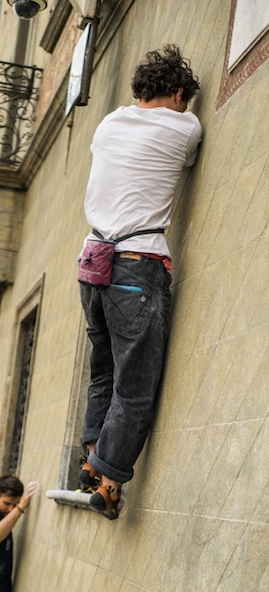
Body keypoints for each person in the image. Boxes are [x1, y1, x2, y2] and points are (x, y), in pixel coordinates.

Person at [77, 44, 202, 520]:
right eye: (183, 99)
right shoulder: (185, 125)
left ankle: (92, 455)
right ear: (176, 93)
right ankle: (108, 483)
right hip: (136, 263)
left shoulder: (109, 124)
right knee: (136, 385)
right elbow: (186, 160)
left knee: (103, 369)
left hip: (91, 260)